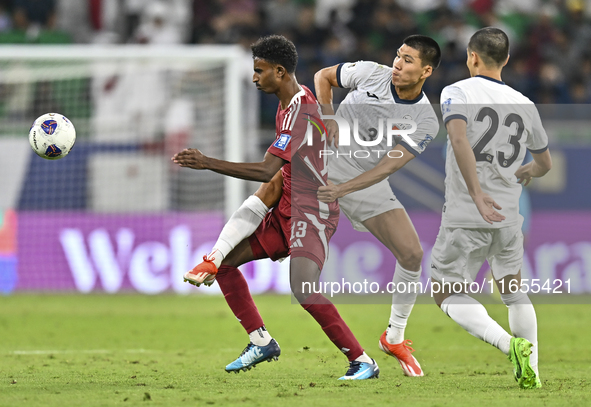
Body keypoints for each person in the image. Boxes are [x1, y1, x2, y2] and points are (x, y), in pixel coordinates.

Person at [174, 35, 380, 380]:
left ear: (280, 72)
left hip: (312, 213)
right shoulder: (287, 107)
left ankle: (362, 361)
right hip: (286, 208)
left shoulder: (300, 111)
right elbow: (274, 180)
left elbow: (266, 170)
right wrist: (217, 251)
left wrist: (206, 162)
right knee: (223, 266)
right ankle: (260, 341)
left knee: (303, 288)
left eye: (259, 70)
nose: (254, 77)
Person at [313, 35, 442, 377]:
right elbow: (324, 77)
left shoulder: (426, 121)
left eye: (409, 60)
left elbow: (388, 167)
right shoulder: (371, 73)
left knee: (412, 254)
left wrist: (343, 189)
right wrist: (328, 119)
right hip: (325, 160)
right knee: (273, 193)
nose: (398, 64)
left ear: (426, 70)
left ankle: (394, 337)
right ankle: (218, 257)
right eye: (398, 55)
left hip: (364, 178)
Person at [431, 27, 552, 389]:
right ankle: (532, 369)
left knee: (445, 291)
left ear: (472, 57)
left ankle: (507, 344)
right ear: (507, 60)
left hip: (467, 212)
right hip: (509, 217)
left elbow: (457, 137)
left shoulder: (456, 91)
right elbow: (544, 163)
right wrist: (529, 170)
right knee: (514, 291)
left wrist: (477, 192)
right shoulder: (525, 104)